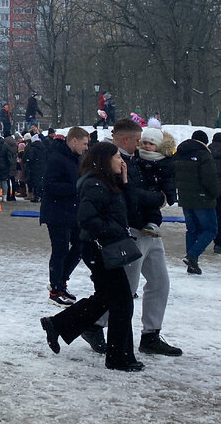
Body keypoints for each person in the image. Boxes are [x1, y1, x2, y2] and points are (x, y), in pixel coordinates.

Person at [39, 141, 143, 372]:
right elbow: (86, 219)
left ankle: (56, 324)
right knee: (122, 302)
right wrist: (114, 230)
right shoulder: (95, 183)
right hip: (99, 249)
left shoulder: (109, 182)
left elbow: (130, 211)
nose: (121, 161)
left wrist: (125, 183)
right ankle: (119, 357)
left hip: (103, 247)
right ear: (105, 160)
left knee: (106, 298)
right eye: (117, 157)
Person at [131, 125, 182, 356]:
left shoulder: (164, 163)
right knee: (126, 286)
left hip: (153, 228)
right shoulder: (133, 161)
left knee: (160, 283)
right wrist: (157, 198)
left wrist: (164, 197)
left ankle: (151, 334)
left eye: (150, 143)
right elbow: (133, 194)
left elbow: (167, 189)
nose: (145, 147)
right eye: (144, 142)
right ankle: (96, 325)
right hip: (136, 227)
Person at [40, 127, 89, 306]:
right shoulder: (56, 158)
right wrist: (76, 187)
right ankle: (56, 289)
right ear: (73, 141)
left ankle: (61, 280)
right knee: (60, 250)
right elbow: (49, 185)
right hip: (56, 212)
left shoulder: (74, 158)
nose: (86, 147)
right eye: (84, 143)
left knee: (80, 246)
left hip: (72, 211)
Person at [174, 129, 218, 274]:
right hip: (203, 199)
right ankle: (192, 256)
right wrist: (214, 194)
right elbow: (210, 178)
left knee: (192, 230)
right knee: (210, 229)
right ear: (205, 142)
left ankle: (192, 264)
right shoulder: (204, 155)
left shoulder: (179, 153)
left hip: (185, 198)